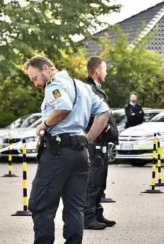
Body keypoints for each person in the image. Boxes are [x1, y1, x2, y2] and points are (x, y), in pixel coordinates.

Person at [24, 55, 111, 244]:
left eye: (35, 78)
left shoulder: (55, 84)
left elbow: (63, 107)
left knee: (41, 204)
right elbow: (105, 112)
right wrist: (88, 139)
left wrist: (43, 125)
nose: (36, 83)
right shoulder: (82, 86)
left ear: (46, 68)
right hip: (80, 153)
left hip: (57, 152)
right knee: (75, 208)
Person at [83, 56, 119, 230]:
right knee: (93, 181)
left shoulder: (97, 90)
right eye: (104, 69)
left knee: (100, 180)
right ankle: (87, 217)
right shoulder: (89, 90)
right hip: (95, 141)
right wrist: (103, 129)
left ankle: (97, 213)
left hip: (102, 141)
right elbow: (92, 114)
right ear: (96, 70)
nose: (107, 72)